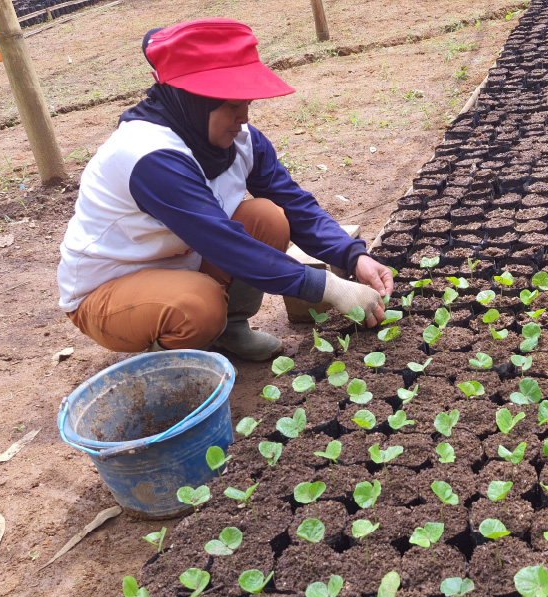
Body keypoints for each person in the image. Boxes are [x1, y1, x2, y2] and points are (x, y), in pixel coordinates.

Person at [57, 19, 393, 362]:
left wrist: (355, 257)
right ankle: (166, 370)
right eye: (232, 105)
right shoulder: (148, 156)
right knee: (198, 306)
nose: (244, 117)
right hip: (110, 289)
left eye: (246, 102)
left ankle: (229, 330)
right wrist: (330, 288)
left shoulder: (240, 140)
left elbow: (293, 204)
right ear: (192, 100)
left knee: (268, 218)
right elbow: (224, 243)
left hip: (184, 261)